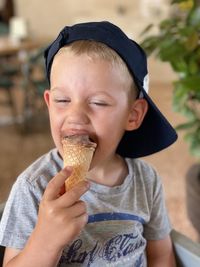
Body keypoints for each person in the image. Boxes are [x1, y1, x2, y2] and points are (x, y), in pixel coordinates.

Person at [0, 21, 178, 266]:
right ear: (49, 103)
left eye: (98, 102)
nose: (75, 116)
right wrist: (44, 242)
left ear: (133, 115)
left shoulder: (146, 181)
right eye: (63, 100)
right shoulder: (34, 188)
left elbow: (161, 255)